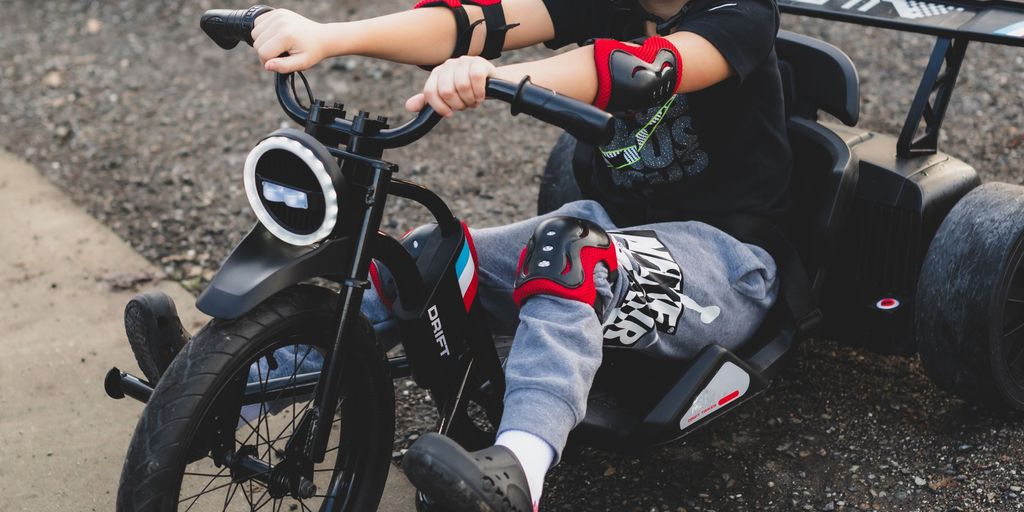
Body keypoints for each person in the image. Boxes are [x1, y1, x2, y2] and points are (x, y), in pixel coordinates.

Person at [247, 1, 791, 510]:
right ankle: (235, 394)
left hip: (726, 260)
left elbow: (650, 69)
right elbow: (472, 23)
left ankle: (519, 472)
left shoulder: (742, 13)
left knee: (571, 253)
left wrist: (503, 79)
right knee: (417, 261)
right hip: (614, 228)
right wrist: (328, 35)